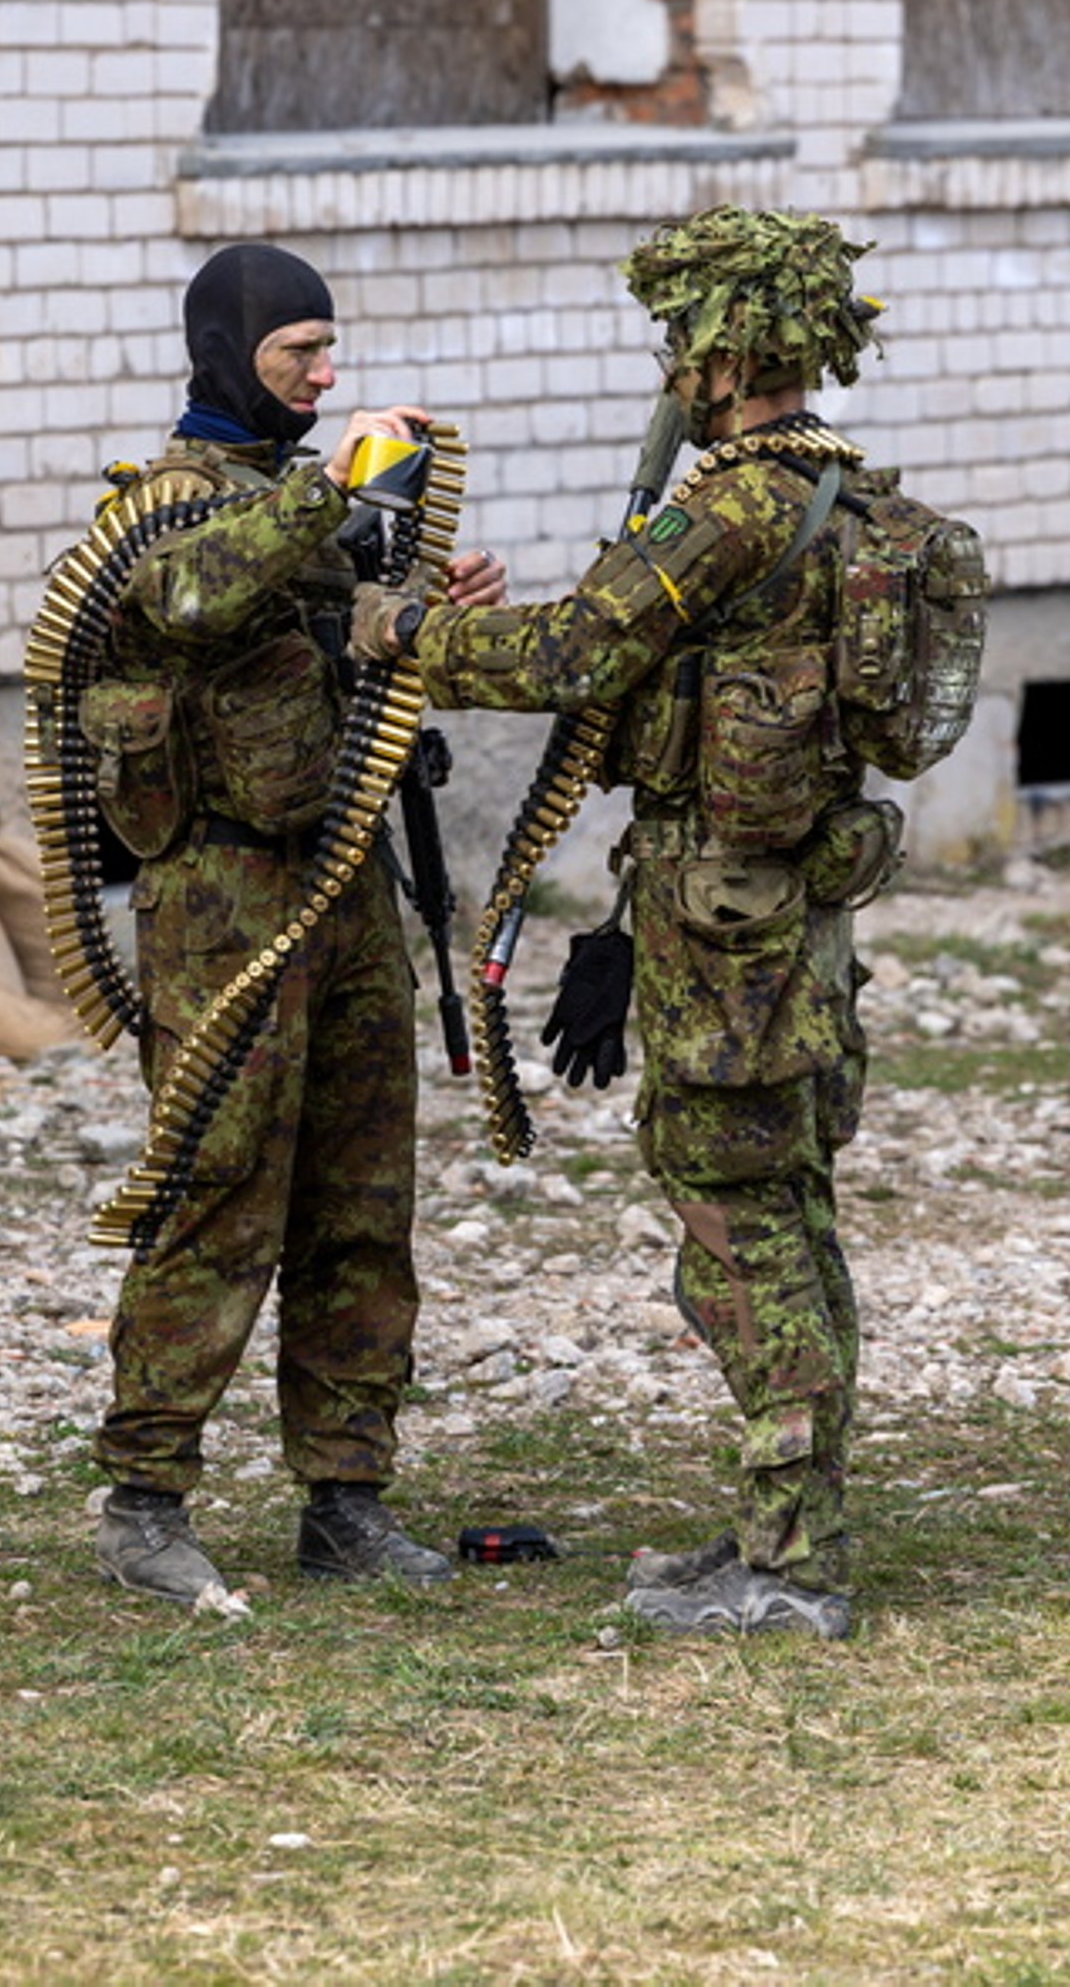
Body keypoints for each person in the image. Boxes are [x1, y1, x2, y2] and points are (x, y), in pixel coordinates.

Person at [355, 205, 903, 1641]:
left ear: (724, 348)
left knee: (742, 1230)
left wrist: (403, 633)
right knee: (782, 1213)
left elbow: (577, 649)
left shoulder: (733, 506)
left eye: (683, 334)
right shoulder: (822, 488)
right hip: (765, 909)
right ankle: (781, 1531)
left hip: (729, 927)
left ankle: (793, 1571)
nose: (669, 359)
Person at [87, 241, 505, 1607]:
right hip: (223, 897)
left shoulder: (292, 498)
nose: (324, 381)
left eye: (331, 355)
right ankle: (147, 1497)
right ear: (229, 356)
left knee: (361, 1193)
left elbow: (335, 640)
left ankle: (347, 1497)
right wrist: (331, 492)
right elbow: (192, 601)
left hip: (345, 879)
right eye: (297, 358)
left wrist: (415, 617)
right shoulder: (165, 505)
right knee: (215, 1193)